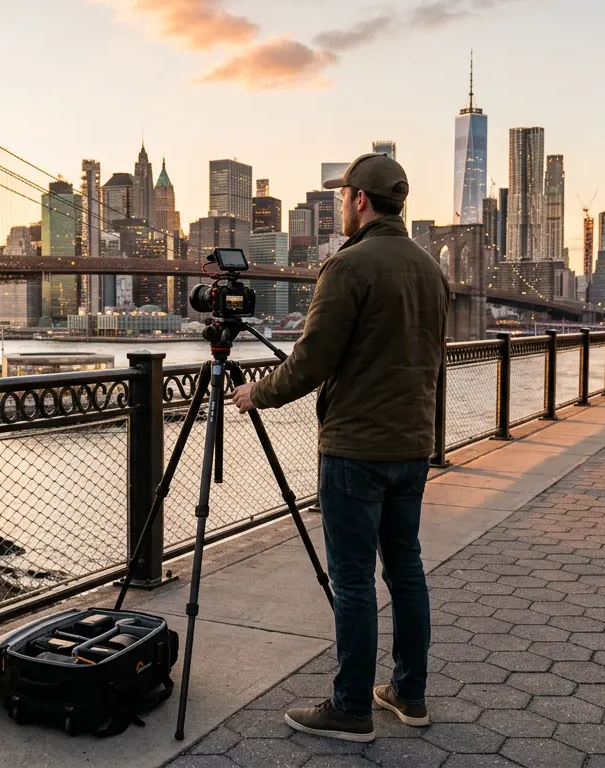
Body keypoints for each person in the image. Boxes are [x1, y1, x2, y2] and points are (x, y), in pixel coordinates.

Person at [233, 152, 449, 742]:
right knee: (405, 568)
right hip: (412, 445)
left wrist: (259, 394)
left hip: (355, 448)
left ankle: (351, 707)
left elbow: (311, 362)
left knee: (352, 580)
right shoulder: (430, 270)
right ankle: (410, 694)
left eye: (342, 195)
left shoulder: (347, 267)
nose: (337, 204)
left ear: (359, 200)